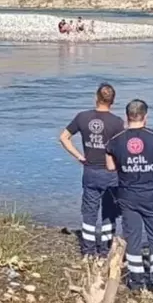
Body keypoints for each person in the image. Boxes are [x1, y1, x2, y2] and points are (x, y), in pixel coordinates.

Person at [105, 99, 153, 297]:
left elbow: (110, 166)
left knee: (133, 238)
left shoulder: (116, 139)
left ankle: (136, 283)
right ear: (145, 117)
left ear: (127, 116)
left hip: (128, 196)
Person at [59, 83, 125, 257]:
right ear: (113, 101)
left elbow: (64, 137)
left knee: (89, 212)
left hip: (90, 171)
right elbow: (123, 149)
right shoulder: (117, 122)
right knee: (109, 213)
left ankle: (88, 251)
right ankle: (104, 250)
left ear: (96, 98)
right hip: (111, 173)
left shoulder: (83, 117)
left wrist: (79, 156)